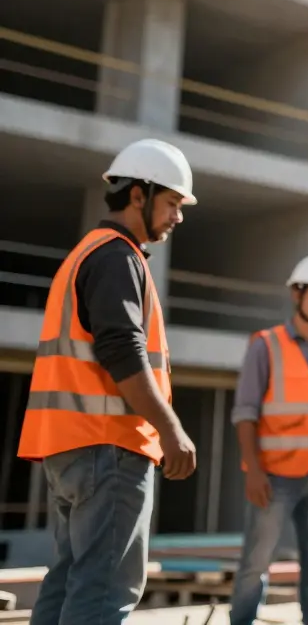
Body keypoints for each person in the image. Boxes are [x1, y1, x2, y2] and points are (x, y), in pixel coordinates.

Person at [17, 138, 199, 625]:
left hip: (68, 448)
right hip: (108, 449)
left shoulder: (86, 254)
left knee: (68, 581)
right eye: (173, 203)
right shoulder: (117, 258)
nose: (178, 217)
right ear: (138, 194)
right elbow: (122, 352)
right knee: (102, 593)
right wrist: (170, 428)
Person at [228, 254, 308, 625]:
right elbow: (245, 413)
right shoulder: (265, 345)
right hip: (274, 477)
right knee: (256, 563)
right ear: (297, 295)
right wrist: (253, 469)